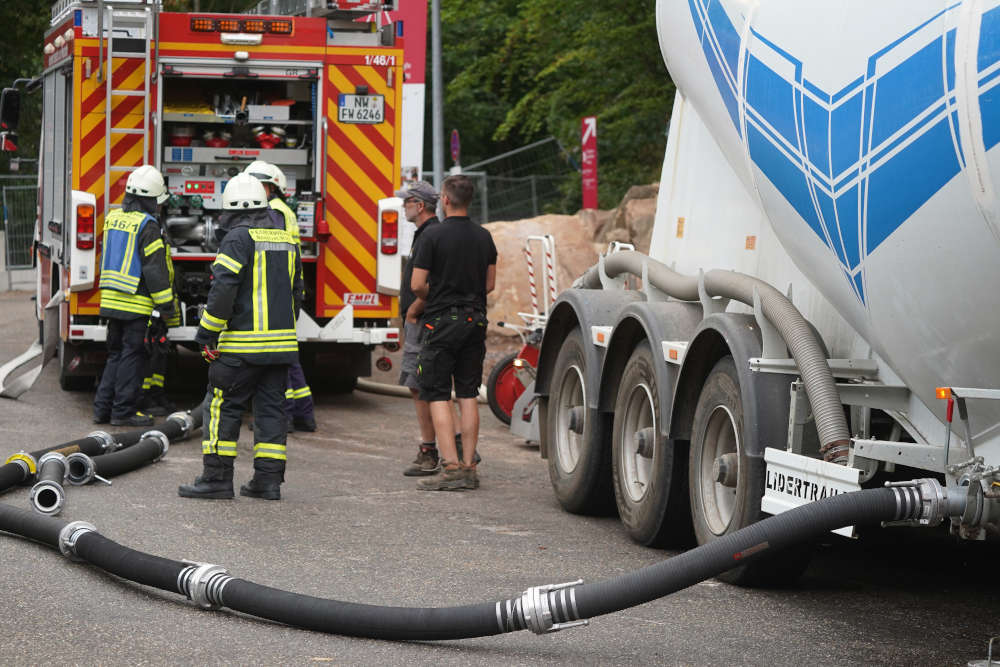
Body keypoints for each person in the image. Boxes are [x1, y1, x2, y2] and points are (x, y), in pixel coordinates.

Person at [178, 173, 304, 501]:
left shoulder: (237, 238)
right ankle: (268, 481)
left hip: (241, 349)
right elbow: (297, 293)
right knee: (272, 411)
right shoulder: (286, 238)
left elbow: (223, 291)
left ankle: (216, 479)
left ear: (232, 208)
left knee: (221, 405)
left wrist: (207, 333)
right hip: (281, 349)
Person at [410, 175, 497, 491]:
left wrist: (439, 292)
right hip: (475, 322)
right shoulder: (484, 237)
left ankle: (450, 467)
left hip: (441, 323)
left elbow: (417, 285)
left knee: (435, 394)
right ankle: (469, 465)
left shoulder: (433, 237)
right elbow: (489, 284)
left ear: (445, 200)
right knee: (468, 394)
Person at [93, 165, 174, 428]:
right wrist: (166, 305)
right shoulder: (148, 226)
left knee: (115, 355)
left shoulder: (113, 218)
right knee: (132, 356)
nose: (158, 207)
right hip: (134, 302)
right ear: (149, 198)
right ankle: (123, 411)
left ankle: (102, 409)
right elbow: (154, 269)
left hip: (110, 300)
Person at [244, 160, 316, 432]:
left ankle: (282, 416)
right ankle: (304, 415)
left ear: (268, 187)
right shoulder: (283, 210)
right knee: (288, 355)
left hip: (274, 290)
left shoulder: (272, 212)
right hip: (286, 288)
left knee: (275, 356)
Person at [395, 181, 447, 475]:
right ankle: (450, 447)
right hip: (423, 321)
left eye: (407, 202)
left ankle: (431, 450)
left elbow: (431, 284)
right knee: (423, 386)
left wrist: (414, 310)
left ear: (421, 205)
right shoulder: (427, 234)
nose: (404, 207)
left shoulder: (430, 235)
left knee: (421, 386)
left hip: (425, 321)